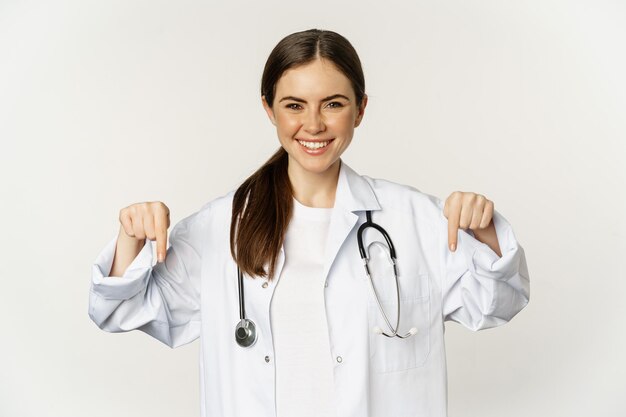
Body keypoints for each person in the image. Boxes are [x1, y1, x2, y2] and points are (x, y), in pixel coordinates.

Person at [89, 28, 530, 417]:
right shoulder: (222, 226)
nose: (313, 124)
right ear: (269, 109)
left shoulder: (416, 220)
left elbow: (499, 303)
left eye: (333, 104)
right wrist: (132, 238)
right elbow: (118, 311)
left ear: (360, 109)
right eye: (294, 105)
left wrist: (484, 231)